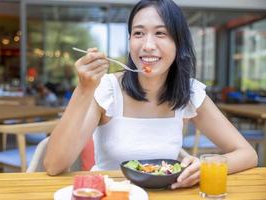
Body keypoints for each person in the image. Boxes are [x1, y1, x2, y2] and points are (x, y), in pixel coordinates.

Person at [44, 0, 257, 189]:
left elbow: (247, 154)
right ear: (130, 41)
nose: (147, 46)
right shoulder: (108, 89)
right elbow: (54, 165)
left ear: (178, 43)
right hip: (110, 194)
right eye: (138, 33)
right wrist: (84, 89)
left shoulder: (188, 92)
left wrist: (206, 166)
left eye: (160, 33)